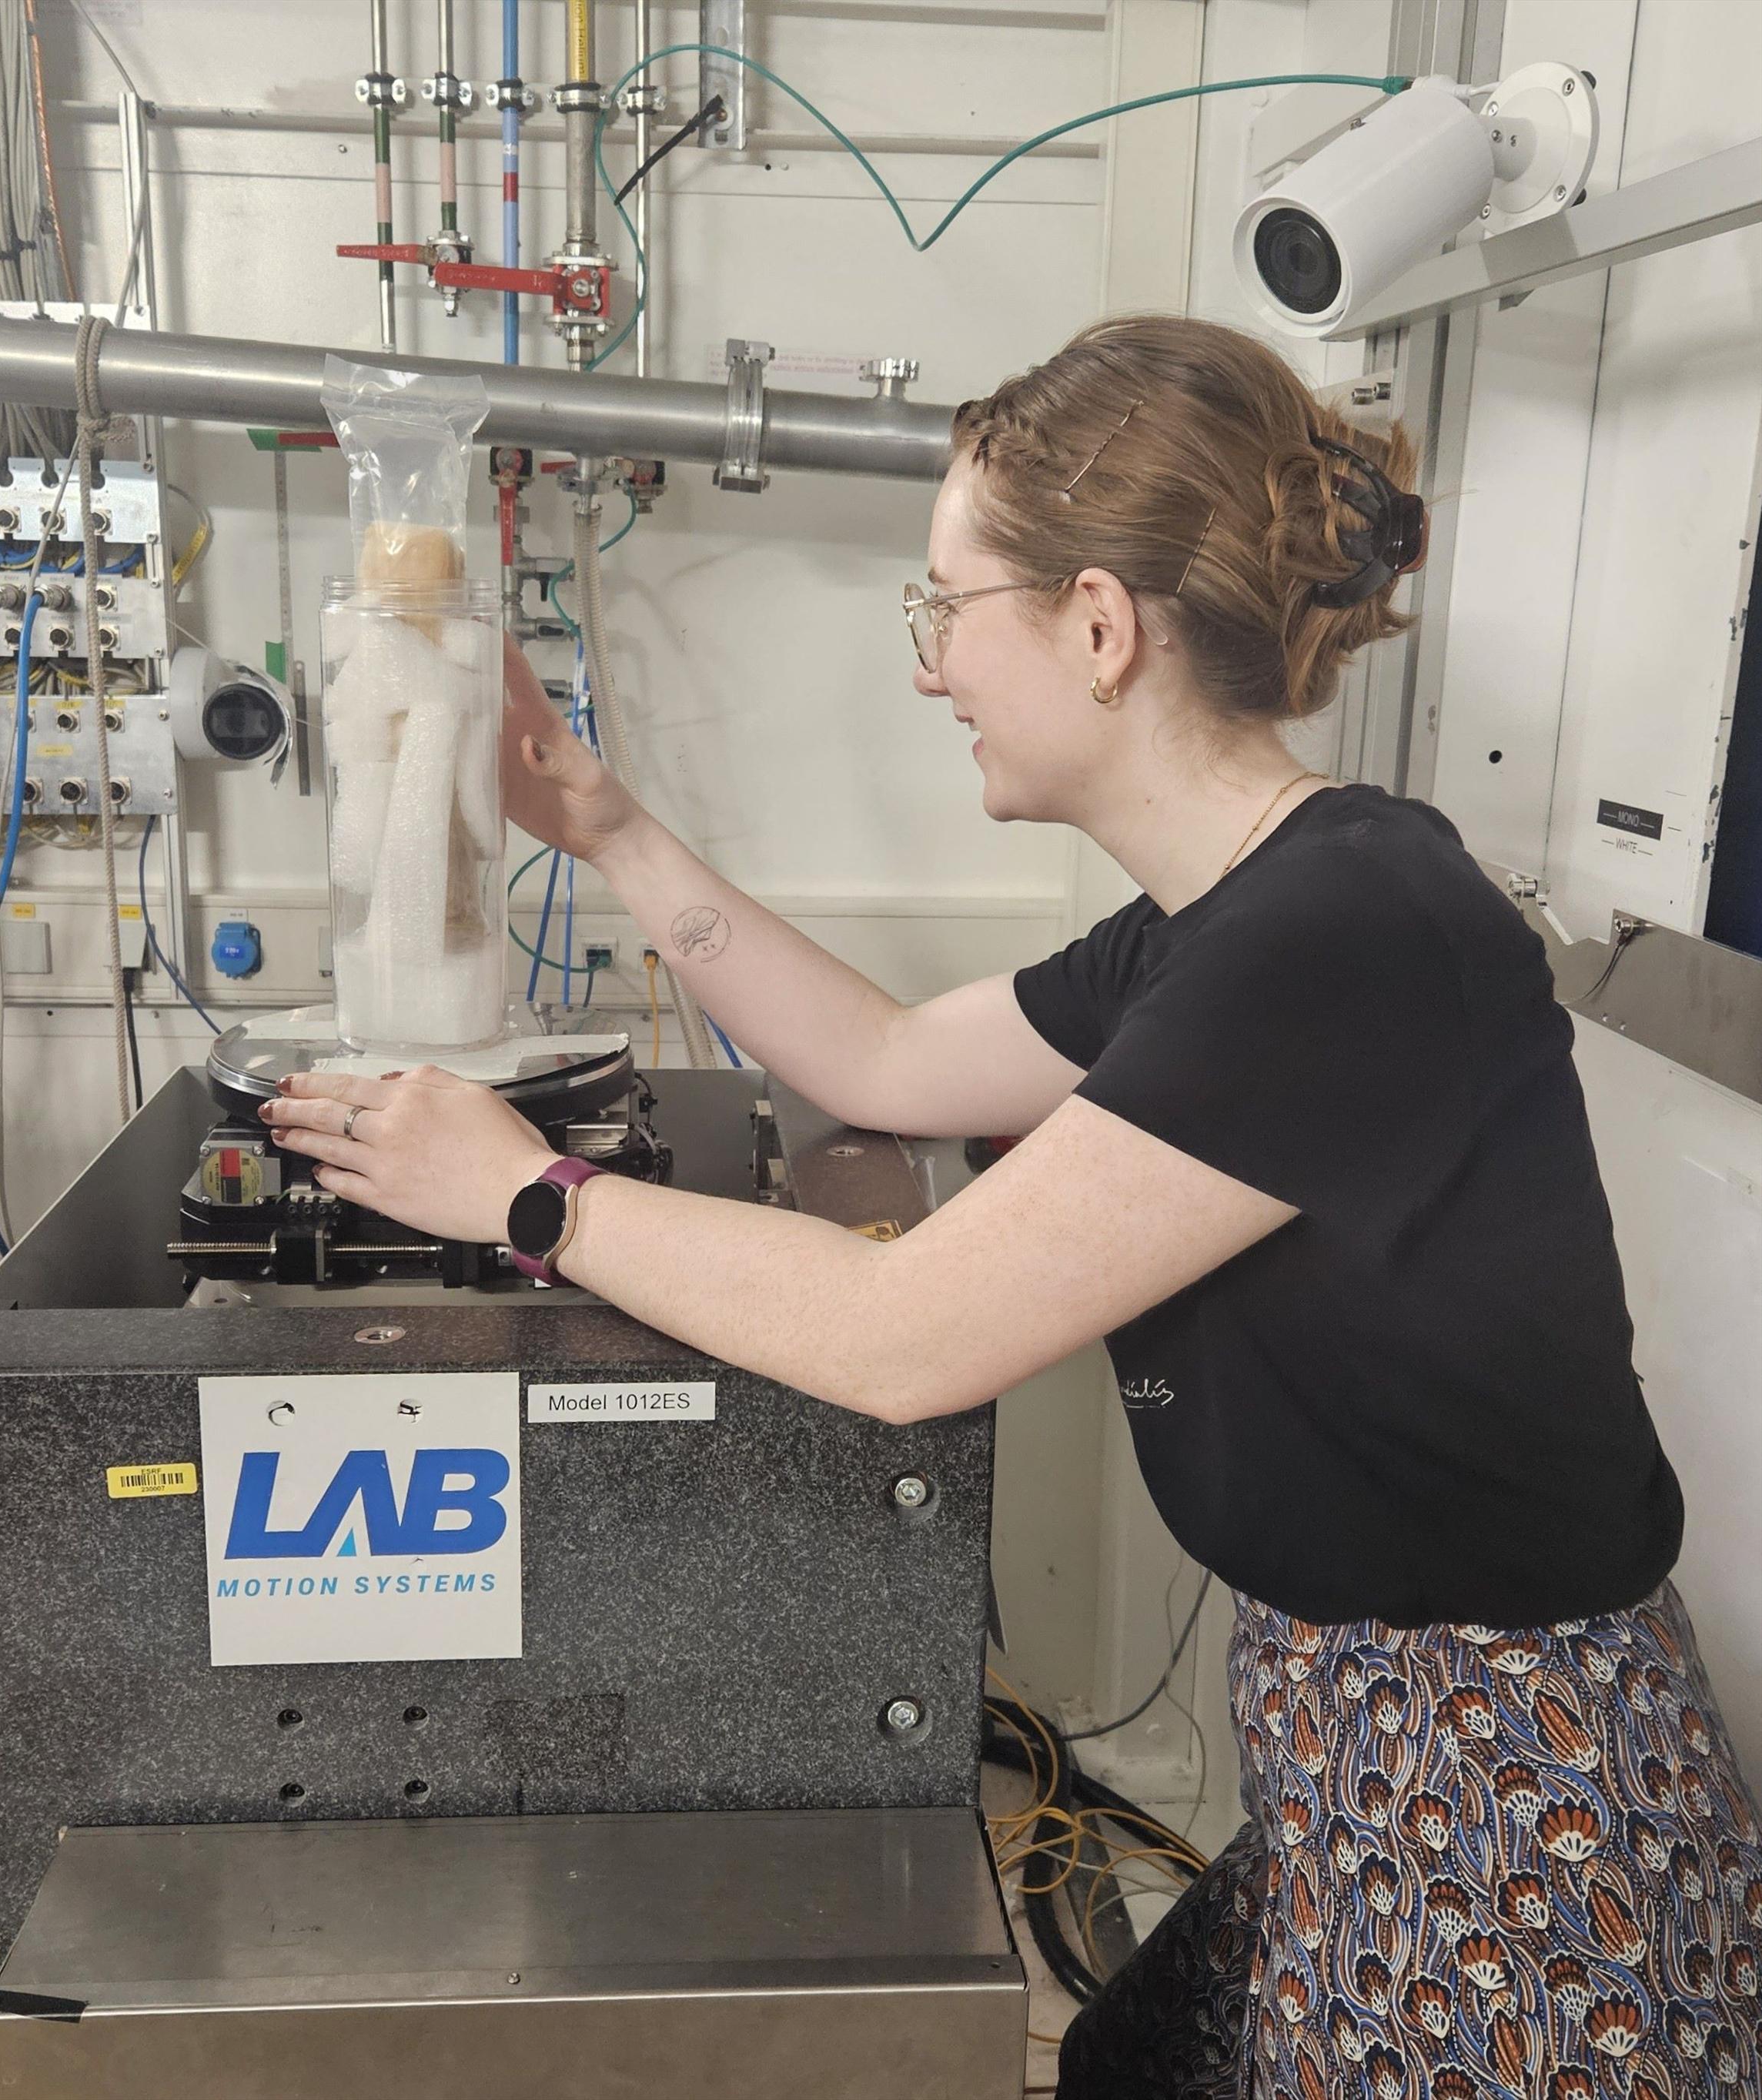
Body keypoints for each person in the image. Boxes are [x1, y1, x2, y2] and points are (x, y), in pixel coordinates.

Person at [259, 314, 1761, 2100]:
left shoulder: (1345, 935)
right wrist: (609, 828)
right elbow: (888, 1060)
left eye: (946, 607)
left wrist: (525, 1191)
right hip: (1345, 1718)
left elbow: (906, 1334)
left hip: (1500, 1792)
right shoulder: (1225, 922)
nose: (931, 668)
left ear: (1099, 625)